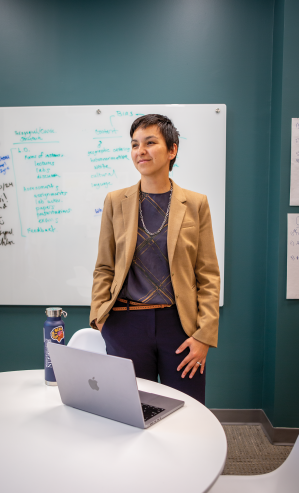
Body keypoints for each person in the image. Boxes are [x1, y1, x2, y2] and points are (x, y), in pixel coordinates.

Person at [90, 114, 220, 404]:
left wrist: (204, 335)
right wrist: (100, 316)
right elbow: (104, 266)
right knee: (131, 412)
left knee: (187, 411)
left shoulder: (196, 204)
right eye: (135, 144)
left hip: (180, 325)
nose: (141, 151)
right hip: (126, 324)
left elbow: (208, 274)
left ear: (172, 150)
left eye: (150, 143)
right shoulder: (115, 201)